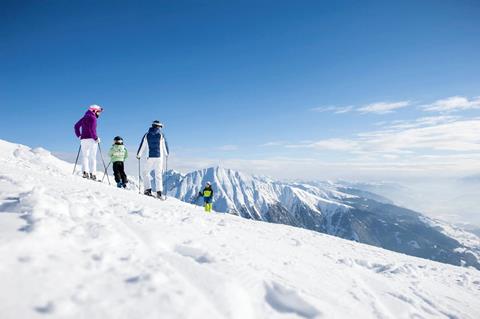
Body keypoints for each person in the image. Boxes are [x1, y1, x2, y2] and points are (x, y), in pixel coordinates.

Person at [136, 120, 169, 198]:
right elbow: (165, 145)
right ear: (159, 126)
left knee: (145, 172)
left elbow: (142, 145)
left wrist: (139, 155)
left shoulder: (147, 135)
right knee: (158, 174)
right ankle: (159, 192)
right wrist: (166, 154)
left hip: (150, 157)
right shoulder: (161, 135)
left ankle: (148, 190)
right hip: (159, 157)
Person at [74, 105, 103, 180]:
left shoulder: (84, 117)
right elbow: (92, 129)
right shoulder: (93, 118)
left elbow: (76, 126)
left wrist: (79, 135)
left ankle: (85, 172)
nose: (99, 114)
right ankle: (92, 174)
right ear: (94, 111)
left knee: (85, 156)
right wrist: (96, 138)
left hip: (83, 140)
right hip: (91, 140)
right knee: (92, 157)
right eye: (99, 112)